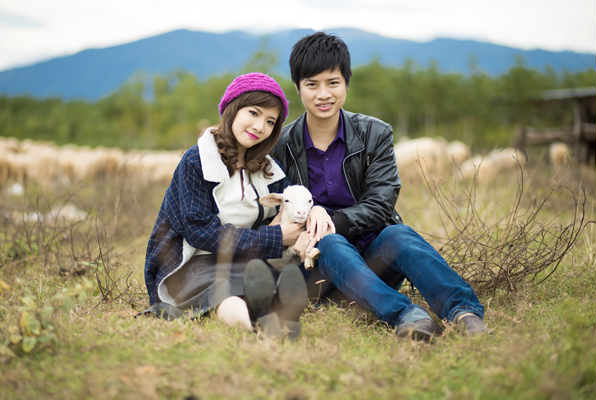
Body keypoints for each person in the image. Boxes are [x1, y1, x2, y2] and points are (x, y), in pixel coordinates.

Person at [271, 32, 487, 341]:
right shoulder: (281, 145)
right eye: (312, 84)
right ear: (297, 87)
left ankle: (464, 313)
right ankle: (408, 316)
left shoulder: (375, 134)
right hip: (318, 269)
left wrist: (331, 219)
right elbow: (278, 209)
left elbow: (381, 203)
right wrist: (314, 223)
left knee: (399, 234)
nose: (323, 94)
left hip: (373, 261)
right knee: (329, 242)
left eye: (333, 83)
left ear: (347, 83)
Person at [142, 72, 332, 338]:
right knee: (224, 290)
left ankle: (279, 318)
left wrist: (316, 210)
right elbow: (199, 232)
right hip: (193, 263)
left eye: (270, 121)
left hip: (246, 261)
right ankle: (256, 329)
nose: (260, 126)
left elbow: (295, 201)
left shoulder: (269, 169)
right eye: (253, 113)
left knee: (258, 279)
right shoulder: (197, 162)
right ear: (232, 109)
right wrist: (275, 237)